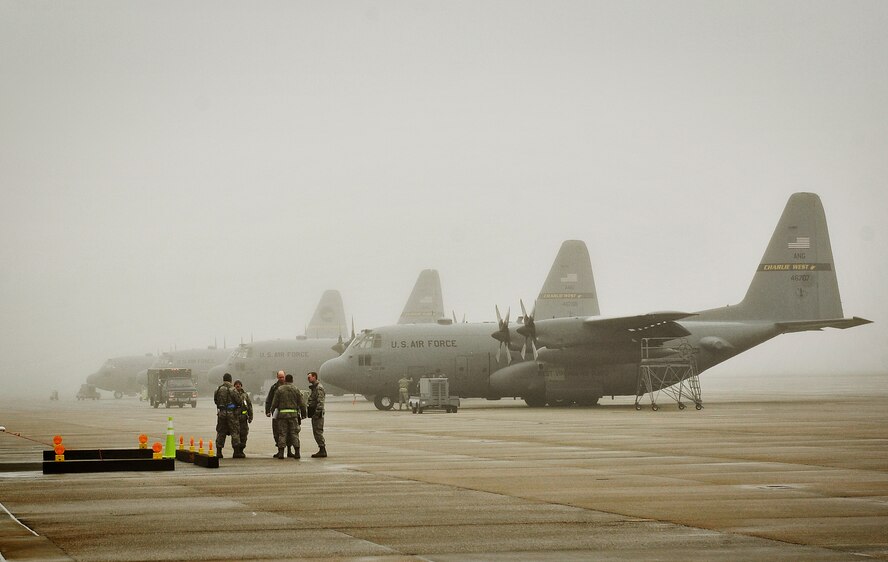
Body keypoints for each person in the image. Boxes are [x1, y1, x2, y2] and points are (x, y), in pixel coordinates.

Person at [269, 374, 307, 459]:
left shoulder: (279, 389)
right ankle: (297, 452)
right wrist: (304, 414)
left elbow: (274, 403)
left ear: (285, 380)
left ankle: (281, 453)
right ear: (292, 380)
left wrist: (272, 411)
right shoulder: (296, 389)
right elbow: (302, 403)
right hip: (293, 415)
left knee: (282, 434)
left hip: (282, 416)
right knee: (294, 434)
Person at [213, 373, 243, 458]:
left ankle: (219, 452)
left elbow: (215, 401)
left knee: (221, 432)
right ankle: (236, 452)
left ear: (223, 379)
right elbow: (239, 401)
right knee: (235, 432)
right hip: (232, 413)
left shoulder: (218, 389)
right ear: (230, 380)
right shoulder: (233, 389)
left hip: (222, 413)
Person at [307, 371, 327, 457]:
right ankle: (321, 449)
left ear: (314, 377)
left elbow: (320, 402)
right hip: (315, 414)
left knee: (318, 432)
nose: (308, 379)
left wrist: (316, 413)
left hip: (317, 415)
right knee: (316, 432)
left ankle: (322, 449)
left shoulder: (319, 388)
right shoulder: (314, 388)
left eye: (309, 377)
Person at [265, 370, 286, 449]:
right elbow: (269, 400)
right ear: (277, 377)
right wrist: (268, 411)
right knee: (276, 432)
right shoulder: (274, 387)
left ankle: (290, 450)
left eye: (282, 377)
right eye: (280, 377)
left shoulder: (289, 386)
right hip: (277, 412)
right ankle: (279, 449)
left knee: (290, 432)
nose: (281, 379)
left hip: (287, 414)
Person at [234, 380, 253, 457]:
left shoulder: (245, 395)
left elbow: (249, 405)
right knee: (235, 436)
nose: (238, 385)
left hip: (243, 419)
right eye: (236, 384)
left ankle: (241, 450)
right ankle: (236, 451)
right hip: (235, 419)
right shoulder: (232, 394)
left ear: (241, 386)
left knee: (244, 435)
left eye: (239, 384)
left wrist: (250, 416)